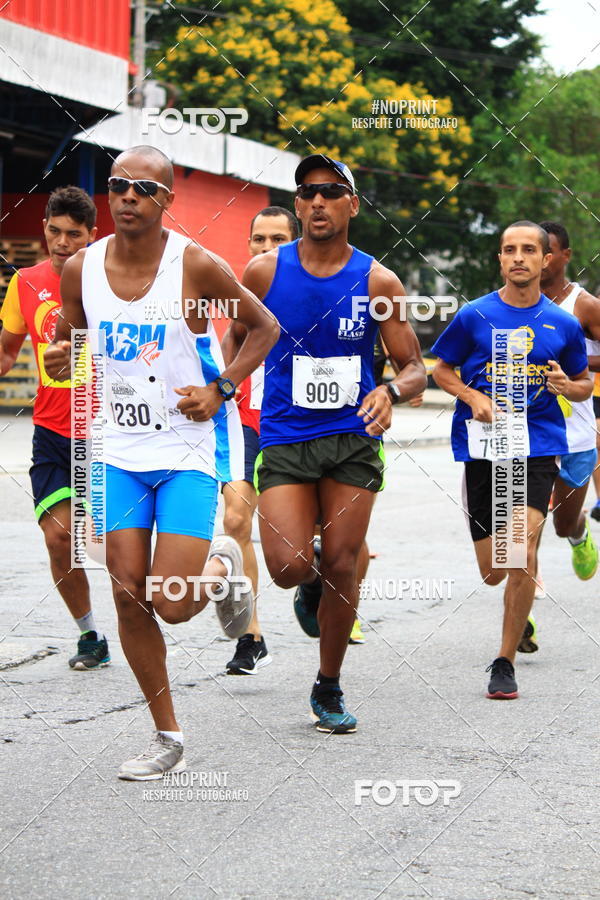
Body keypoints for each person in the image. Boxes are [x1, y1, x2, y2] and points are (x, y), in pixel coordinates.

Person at [44, 145, 279, 779]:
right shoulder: (82, 269)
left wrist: (221, 388)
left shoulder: (194, 265)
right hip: (116, 449)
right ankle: (166, 734)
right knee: (127, 594)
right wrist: (64, 360)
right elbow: (75, 344)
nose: (125, 197)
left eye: (142, 189)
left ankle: (225, 563)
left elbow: (264, 328)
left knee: (172, 601)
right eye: (117, 185)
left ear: (165, 201)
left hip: (184, 451)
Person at [225, 153, 426, 733]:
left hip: (352, 438)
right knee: (287, 566)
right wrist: (226, 385)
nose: (319, 200)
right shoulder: (264, 273)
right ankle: (308, 581)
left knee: (343, 562)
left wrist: (390, 390)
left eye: (332, 192)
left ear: (352, 205)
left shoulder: (376, 281)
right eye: (308, 191)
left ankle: (329, 683)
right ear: (297, 204)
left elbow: (415, 366)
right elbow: (241, 338)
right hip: (286, 433)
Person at [432, 221, 592, 700]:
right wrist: (469, 395)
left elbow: (583, 382)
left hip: (538, 444)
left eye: (528, 250)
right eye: (509, 250)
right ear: (499, 260)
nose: (518, 257)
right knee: (493, 568)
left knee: (519, 551)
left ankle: (504, 661)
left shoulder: (563, 324)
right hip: (483, 448)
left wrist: (569, 385)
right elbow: (440, 369)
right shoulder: (474, 316)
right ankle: (511, 587)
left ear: (547, 260)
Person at [0, 187, 110, 670]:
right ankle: (90, 635)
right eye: (54, 231)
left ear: (92, 235)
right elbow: (6, 350)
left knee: (117, 550)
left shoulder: (112, 280)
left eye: (74, 234)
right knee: (59, 538)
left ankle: (148, 617)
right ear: (44, 227)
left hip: (110, 434)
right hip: (52, 434)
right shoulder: (24, 282)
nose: (62, 242)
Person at [222, 206, 299, 675]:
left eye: (277, 239)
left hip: (298, 428)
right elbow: (229, 341)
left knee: (294, 544)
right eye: (258, 239)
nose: (266, 248)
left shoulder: (309, 290)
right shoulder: (240, 294)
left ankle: (312, 580)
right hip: (247, 424)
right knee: (235, 521)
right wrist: (224, 389)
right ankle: (251, 636)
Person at [537, 221, 600, 579]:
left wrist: (574, 363)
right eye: (532, 250)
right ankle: (522, 609)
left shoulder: (585, 305)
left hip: (575, 435)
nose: (540, 259)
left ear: (564, 256)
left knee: (562, 524)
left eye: (547, 251)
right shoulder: (508, 302)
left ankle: (579, 535)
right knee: (524, 530)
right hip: (528, 431)